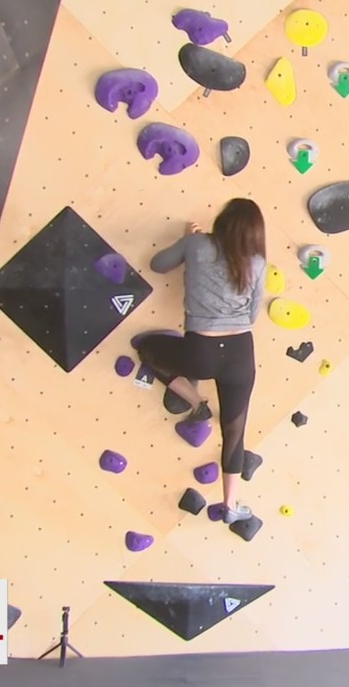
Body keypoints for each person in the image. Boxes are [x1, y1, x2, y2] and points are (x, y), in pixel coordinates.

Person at [131, 198, 266, 524]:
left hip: (200, 354)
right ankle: (231, 505)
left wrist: (191, 243)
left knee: (148, 349)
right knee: (235, 433)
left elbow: (157, 264)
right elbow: (252, 313)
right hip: (240, 356)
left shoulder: (197, 244)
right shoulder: (257, 262)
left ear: (222, 221)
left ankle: (196, 401)